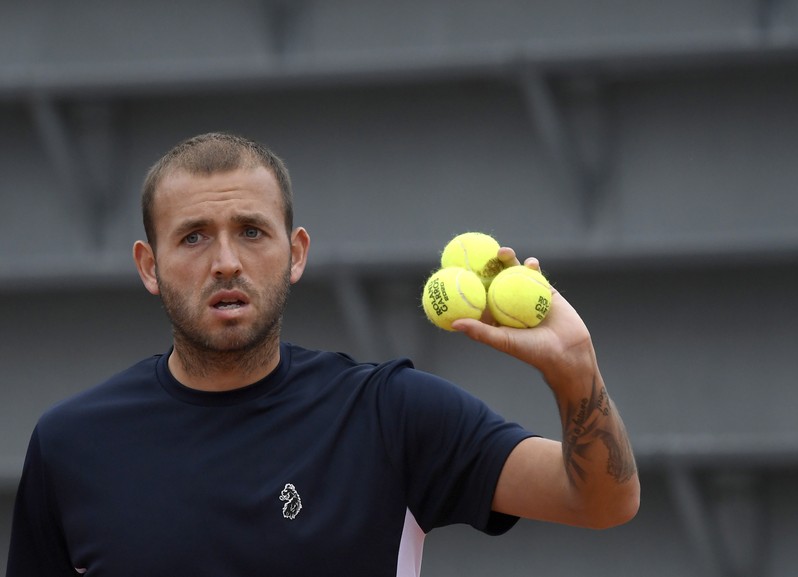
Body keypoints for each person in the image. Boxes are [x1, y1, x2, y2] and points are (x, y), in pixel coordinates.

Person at [6, 132, 639, 576]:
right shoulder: (71, 444)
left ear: (296, 253)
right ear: (150, 265)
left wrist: (575, 367)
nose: (226, 261)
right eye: (194, 237)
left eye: (251, 232)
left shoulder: (390, 415)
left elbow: (602, 502)